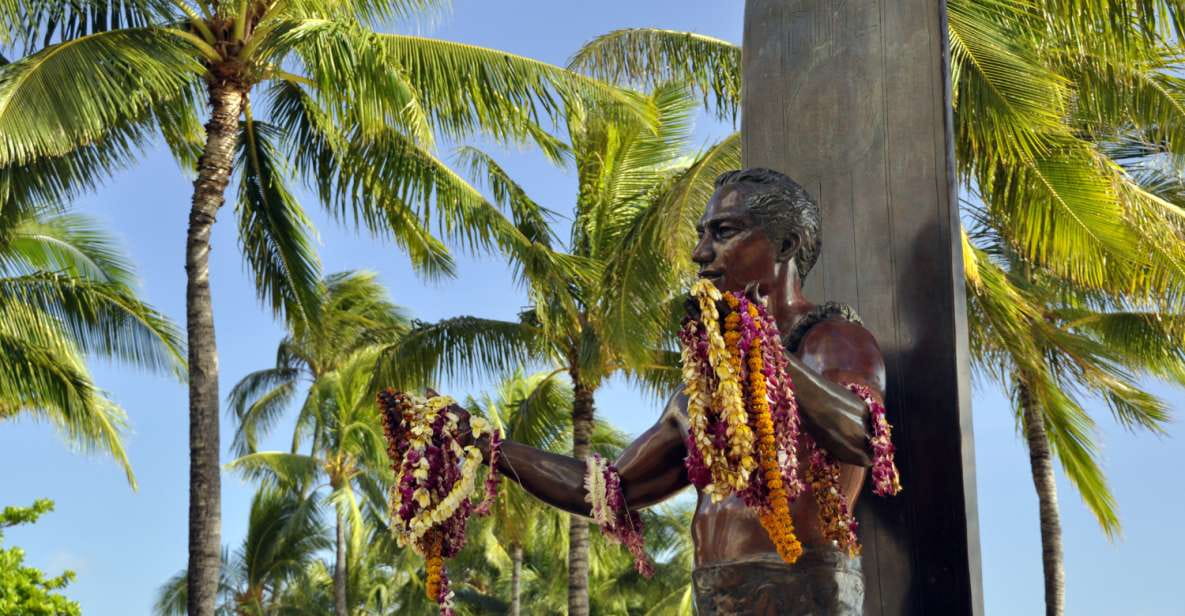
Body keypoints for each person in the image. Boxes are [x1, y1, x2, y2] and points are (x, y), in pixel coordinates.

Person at [478, 168, 886, 615]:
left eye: (724, 231)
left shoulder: (828, 341)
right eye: (701, 234)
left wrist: (766, 352)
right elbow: (606, 490)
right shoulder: (702, 389)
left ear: (785, 246)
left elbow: (866, 437)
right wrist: (488, 448)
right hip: (715, 596)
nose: (700, 253)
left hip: (805, 591)